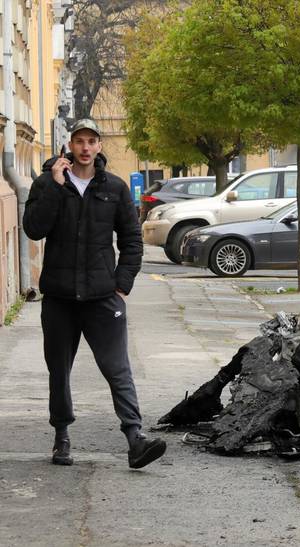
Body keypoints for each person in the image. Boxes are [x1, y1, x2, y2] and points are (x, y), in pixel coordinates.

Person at [23, 118, 166, 469]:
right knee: (59, 371)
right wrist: (56, 187)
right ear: (69, 145)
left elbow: (132, 241)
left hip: (103, 297)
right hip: (59, 297)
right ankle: (61, 437)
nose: (85, 148)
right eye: (79, 141)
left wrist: (121, 287)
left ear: (99, 146)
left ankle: (135, 438)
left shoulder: (114, 188)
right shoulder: (47, 183)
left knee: (118, 368)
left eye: (91, 141)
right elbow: (34, 228)